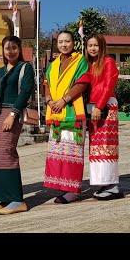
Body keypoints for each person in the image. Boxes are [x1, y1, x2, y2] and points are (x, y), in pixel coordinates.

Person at [0, 35, 35, 215]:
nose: (11, 51)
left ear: (19, 49)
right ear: (3, 50)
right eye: (7, 48)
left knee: (7, 152)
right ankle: (4, 197)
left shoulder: (25, 67)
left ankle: (17, 199)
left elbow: (25, 91)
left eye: (14, 47)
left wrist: (13, 114)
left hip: (11, 113)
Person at [43, 30, 90, 203]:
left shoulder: (80, 61)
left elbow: (82, 83)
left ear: (74, 43)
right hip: (56, 112)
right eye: (61, 42)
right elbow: (46, 83)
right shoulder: (53, 64)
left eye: (67, 41)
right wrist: (48, 99)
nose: (64, 45)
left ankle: (73, 190)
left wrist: (64, 100)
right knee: (59, 151)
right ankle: (62, 187)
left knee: (72, 152)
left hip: (72, 112)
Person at [75, 34, 123, 200]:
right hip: (93, 107)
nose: (93, 48)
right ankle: (104, 183)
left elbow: (109, 85)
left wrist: (99, 106)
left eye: (96, 45)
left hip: (106, 106)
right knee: (96, 146)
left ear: (102, 47)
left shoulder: (108, 62)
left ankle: (113, 186)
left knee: (106, 145)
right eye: (90, 45)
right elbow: (83, 80)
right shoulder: (89, 64)